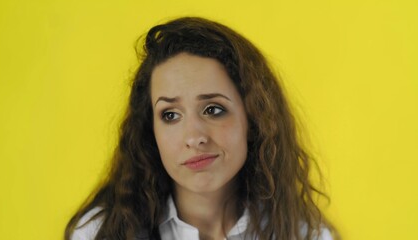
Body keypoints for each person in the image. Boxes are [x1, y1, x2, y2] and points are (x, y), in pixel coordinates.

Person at [64, 17, 339, 240]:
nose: (194, 137)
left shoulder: (308, 236)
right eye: (170, 115)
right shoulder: (98, 234)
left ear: (254, 119)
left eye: (213, 110)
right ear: (151, 132)